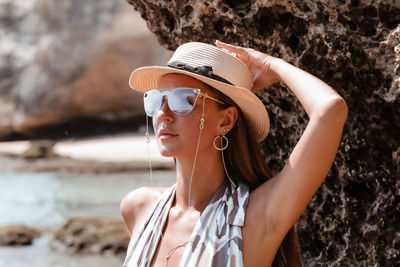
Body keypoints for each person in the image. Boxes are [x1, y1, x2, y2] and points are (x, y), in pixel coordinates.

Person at [120, 41, 348, 267]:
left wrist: (271, 65)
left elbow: (330, 109)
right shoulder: (139, 207)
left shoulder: (253, 218)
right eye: (157, 99)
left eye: (184, 100)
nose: (163, 114)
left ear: (226, 120)